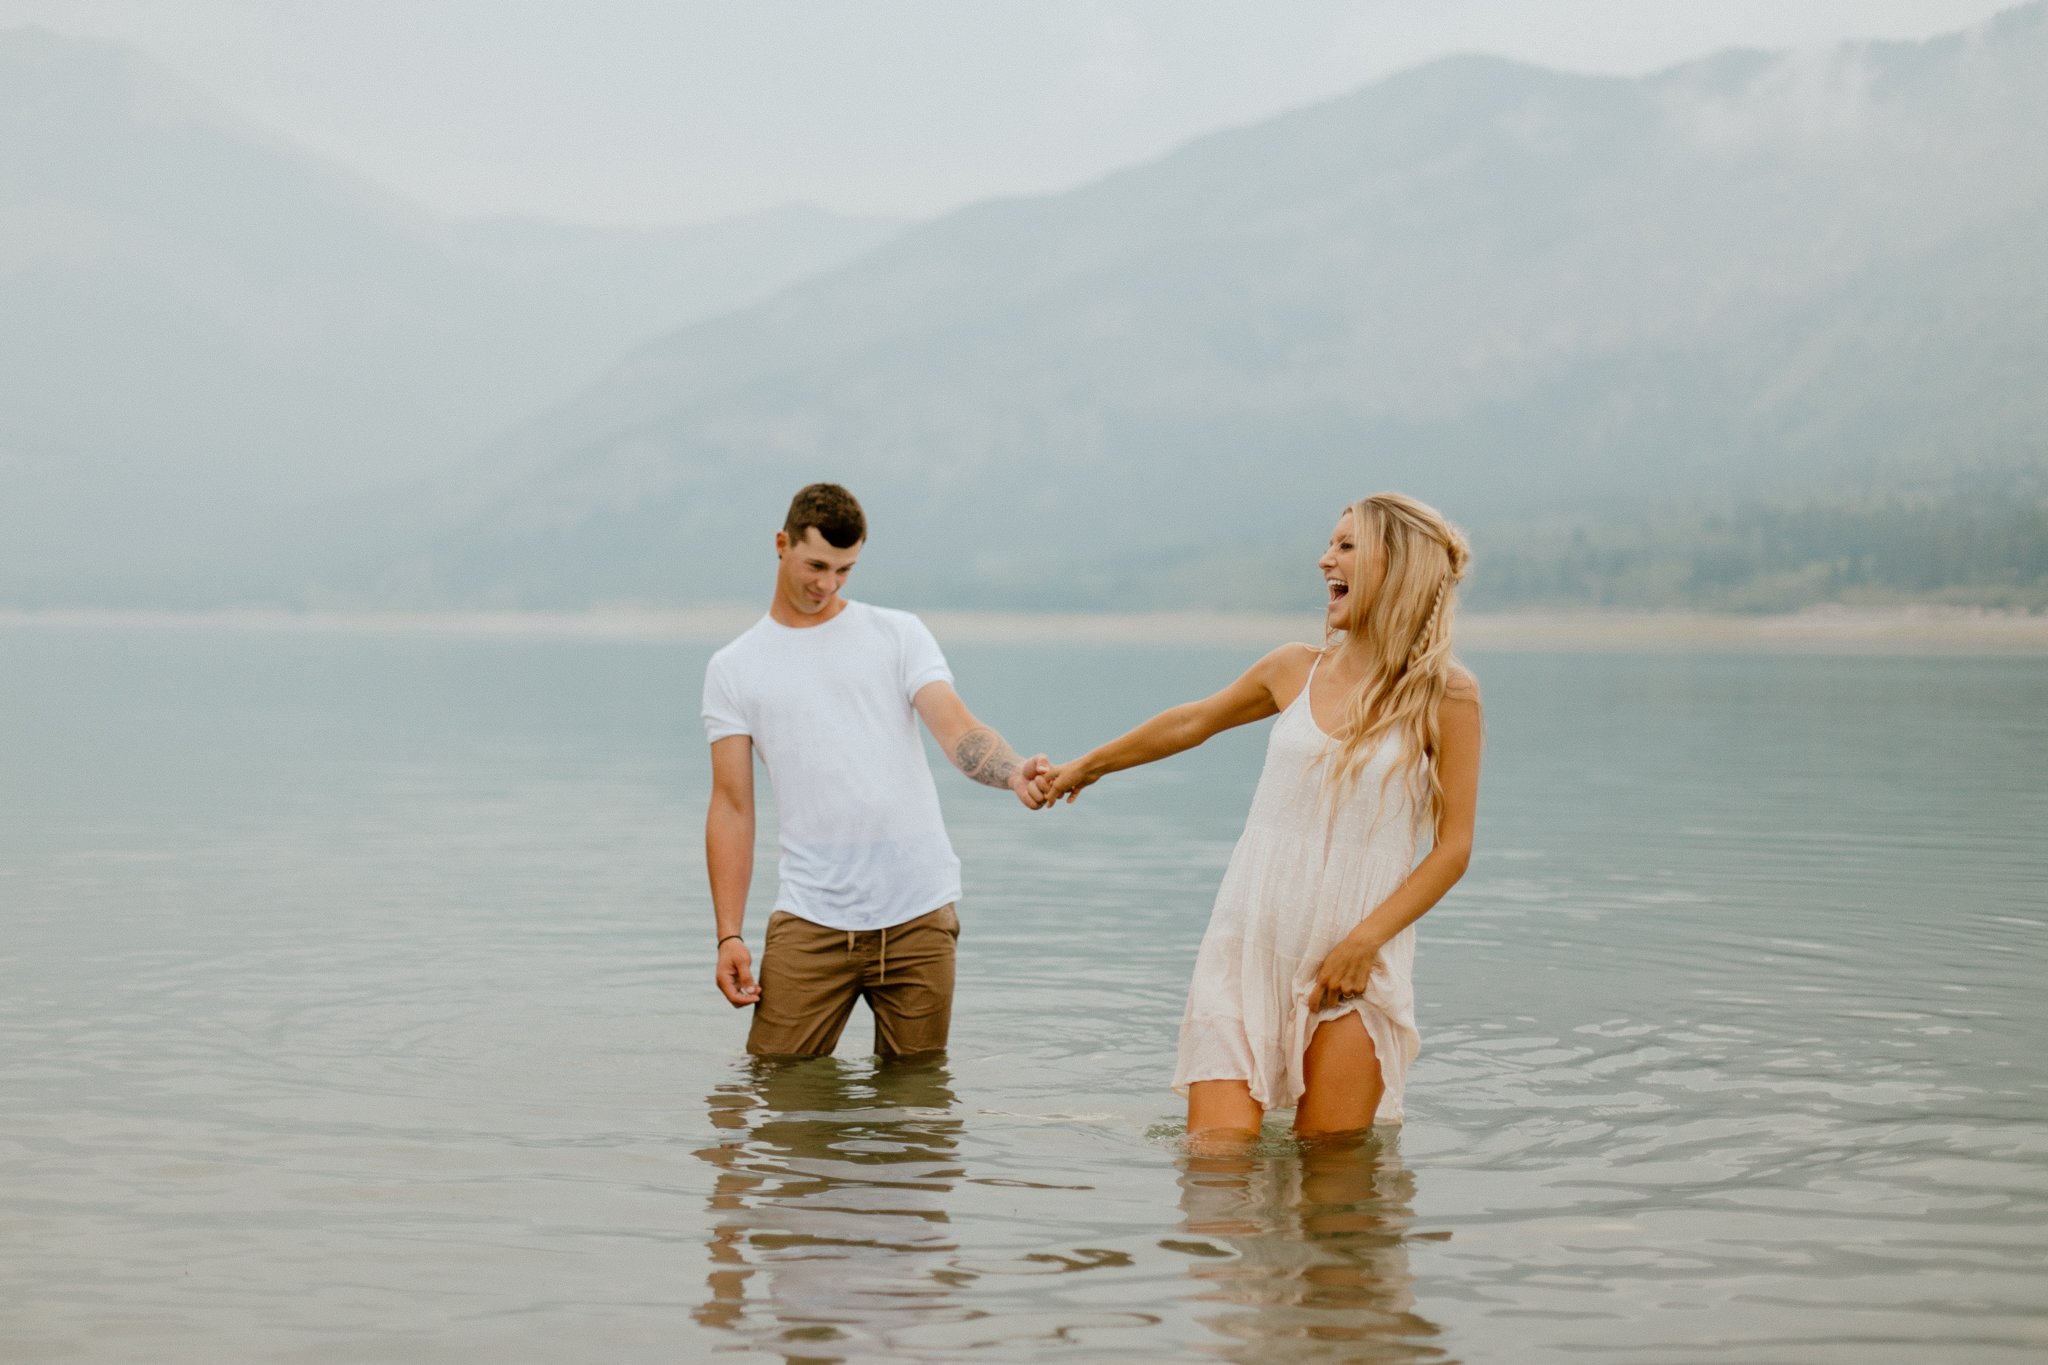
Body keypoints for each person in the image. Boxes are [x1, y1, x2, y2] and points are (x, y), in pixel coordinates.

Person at [1043, 493, 1481, 1146]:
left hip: (1354, 960)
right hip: (1248, 943)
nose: (1324, 558)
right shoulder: (1292, 668)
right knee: (1216, 1170)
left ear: (1399, 565)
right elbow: (1193, 720)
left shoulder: (1445, 694)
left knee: (1333, 1194)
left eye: (1346, 545)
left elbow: (1453, 849)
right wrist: (1089, 765)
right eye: (1330, 544)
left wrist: (1364, 943)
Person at [703, 483, 1050, 1058]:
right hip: (809, 916)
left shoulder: (898, 634)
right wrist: (729, 934)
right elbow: (733, 806)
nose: (827, 584)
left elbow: (957, 729)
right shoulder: (734, 667)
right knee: (776, 1092)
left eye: (844, 570)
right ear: (781, 544)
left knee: (917, 1110)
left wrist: (1013, 772)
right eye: (816, 565)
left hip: (918, 912)